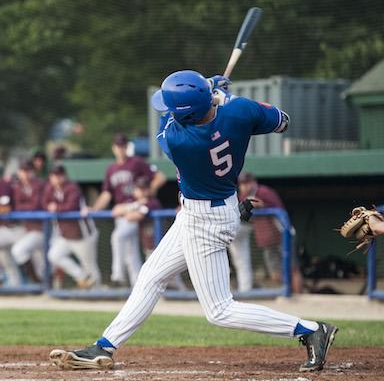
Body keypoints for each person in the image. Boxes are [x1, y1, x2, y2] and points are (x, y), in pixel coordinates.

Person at [50, 70, 337, 372]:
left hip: (206, 220)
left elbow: (171, 121)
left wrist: (212, 93)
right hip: (208, 208)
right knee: (151, 275)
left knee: (219, 310)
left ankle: (309, 329)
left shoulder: (179, 141)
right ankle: (105, 346)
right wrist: (223, 98)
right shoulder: (239, 111)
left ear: (185, 114)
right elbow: (282, 121)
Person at [83, 133, 166, 287]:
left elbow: (160, 177)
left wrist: (148, 193)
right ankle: (139, 287)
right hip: (122, 212)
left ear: (127, 147)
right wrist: (94, 208)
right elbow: (107, 194)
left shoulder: (137, 162)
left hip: (135, 210)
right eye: (118, 146)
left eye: (123, 145)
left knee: (118, 237)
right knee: (131, 254)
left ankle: (117, 274)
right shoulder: (111, 169)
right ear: (114, 148)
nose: (120, 149)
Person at [229, 173, 303, 293]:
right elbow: (243, 214)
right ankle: (289, 291)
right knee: (275, 274)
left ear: (254, 182)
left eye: (247, 183)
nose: (245, 186)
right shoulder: (242, 197)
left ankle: (299, 297)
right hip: (268, 240)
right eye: (242, 184)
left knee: (292, 269)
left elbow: (275, 207)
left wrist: (258, 204)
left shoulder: (264, 191)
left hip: (283, 235)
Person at [44, 165, 100, 289]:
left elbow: (71, 206)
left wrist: (56, 208)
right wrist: (51, 207)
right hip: (65, 236)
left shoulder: (72, 187)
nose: (57, 178)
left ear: (64, 175)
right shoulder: (50, 189)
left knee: (90, 267)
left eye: (59, 175)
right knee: (54, 255)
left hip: (82, 235)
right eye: (54, 176)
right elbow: (45, 203)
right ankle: (81, 275)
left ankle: (97, 293)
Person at [11, 159, 45, 283]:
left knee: (48, 261)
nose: (25, 173)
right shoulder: (17, 186)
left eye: (28, 170)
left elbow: (36, 204)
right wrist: (27, 206)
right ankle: (37, 283)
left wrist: (25, 206)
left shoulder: (40, 184)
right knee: (22, 253)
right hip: (28, 229)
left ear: (33, 171)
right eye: (22, 171)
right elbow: (17, 206)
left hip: (44, 228)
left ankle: (43, 285)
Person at [0, 177, 25, 286]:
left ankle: (43, 285)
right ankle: (15, 285)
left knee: (31, 257)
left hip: (18, 228)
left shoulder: (3, 185)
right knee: (4, 256)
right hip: (5, 230)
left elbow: (5, 208)